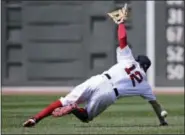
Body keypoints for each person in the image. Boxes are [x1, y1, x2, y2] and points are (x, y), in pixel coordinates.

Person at [23, 5, 168, 127]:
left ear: (138, 62)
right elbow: (156, 105)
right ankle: (74, 109)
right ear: (146, 68)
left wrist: (121, 23)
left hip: (99, 79)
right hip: (109, 94)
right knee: (86, 117)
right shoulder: (144, 84)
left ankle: (35, 119)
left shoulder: (129, 60)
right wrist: (162, 121)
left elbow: (122, 39)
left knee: (63, 101)